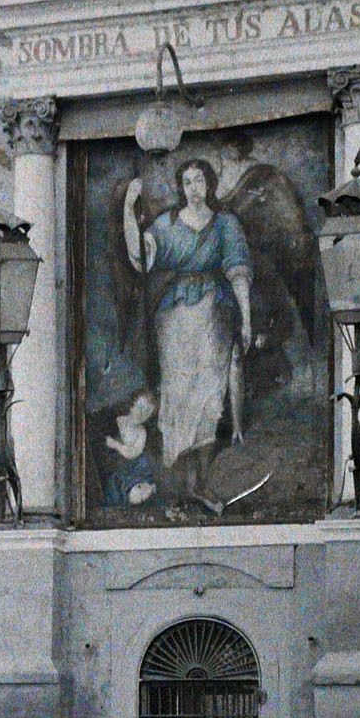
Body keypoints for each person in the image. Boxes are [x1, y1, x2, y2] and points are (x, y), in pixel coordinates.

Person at [124, 157, 253, 504]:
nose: (193, 188)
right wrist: (128, 207)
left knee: (211, 397)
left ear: (209, 184)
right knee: (177, 393)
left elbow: (238, 271)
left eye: (199, 181)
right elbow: (140, 257)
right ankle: (181, 485)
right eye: (187, 182)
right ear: (180, 188)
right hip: (175, 316)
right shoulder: (166, 224)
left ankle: (203, 481)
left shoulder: (226, 224)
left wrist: (247, 319)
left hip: (214, 312)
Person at [102, 391, 159, 509]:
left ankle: (146, 490)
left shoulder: (142, 431)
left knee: (137, 488)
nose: (142, 413)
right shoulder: (118, 421)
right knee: (115, 486)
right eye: (140, 407)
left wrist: (116, 445)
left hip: (135, 468)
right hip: (117, 467)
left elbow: (133, 453)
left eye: (147, 412)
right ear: (132, 405)